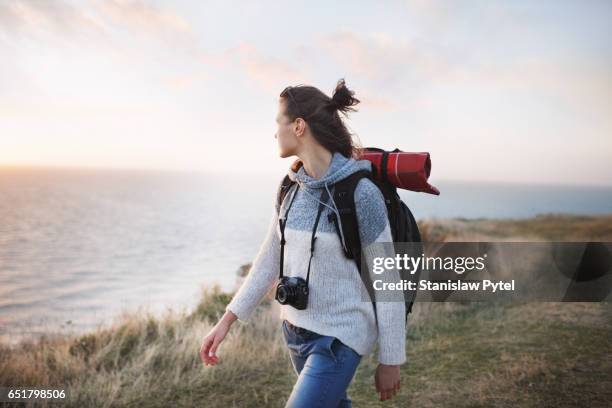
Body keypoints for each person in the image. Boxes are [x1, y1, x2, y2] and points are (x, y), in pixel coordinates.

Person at [199, 78, 406, 407]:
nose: (274, 132)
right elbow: (269, 260)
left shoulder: (361, 195)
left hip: (341, 337)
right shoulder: (289, 189)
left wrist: (391, 359)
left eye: (277, 123)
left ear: (298, 126)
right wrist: (226, 321)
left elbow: (387, 282)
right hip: (295, 332)